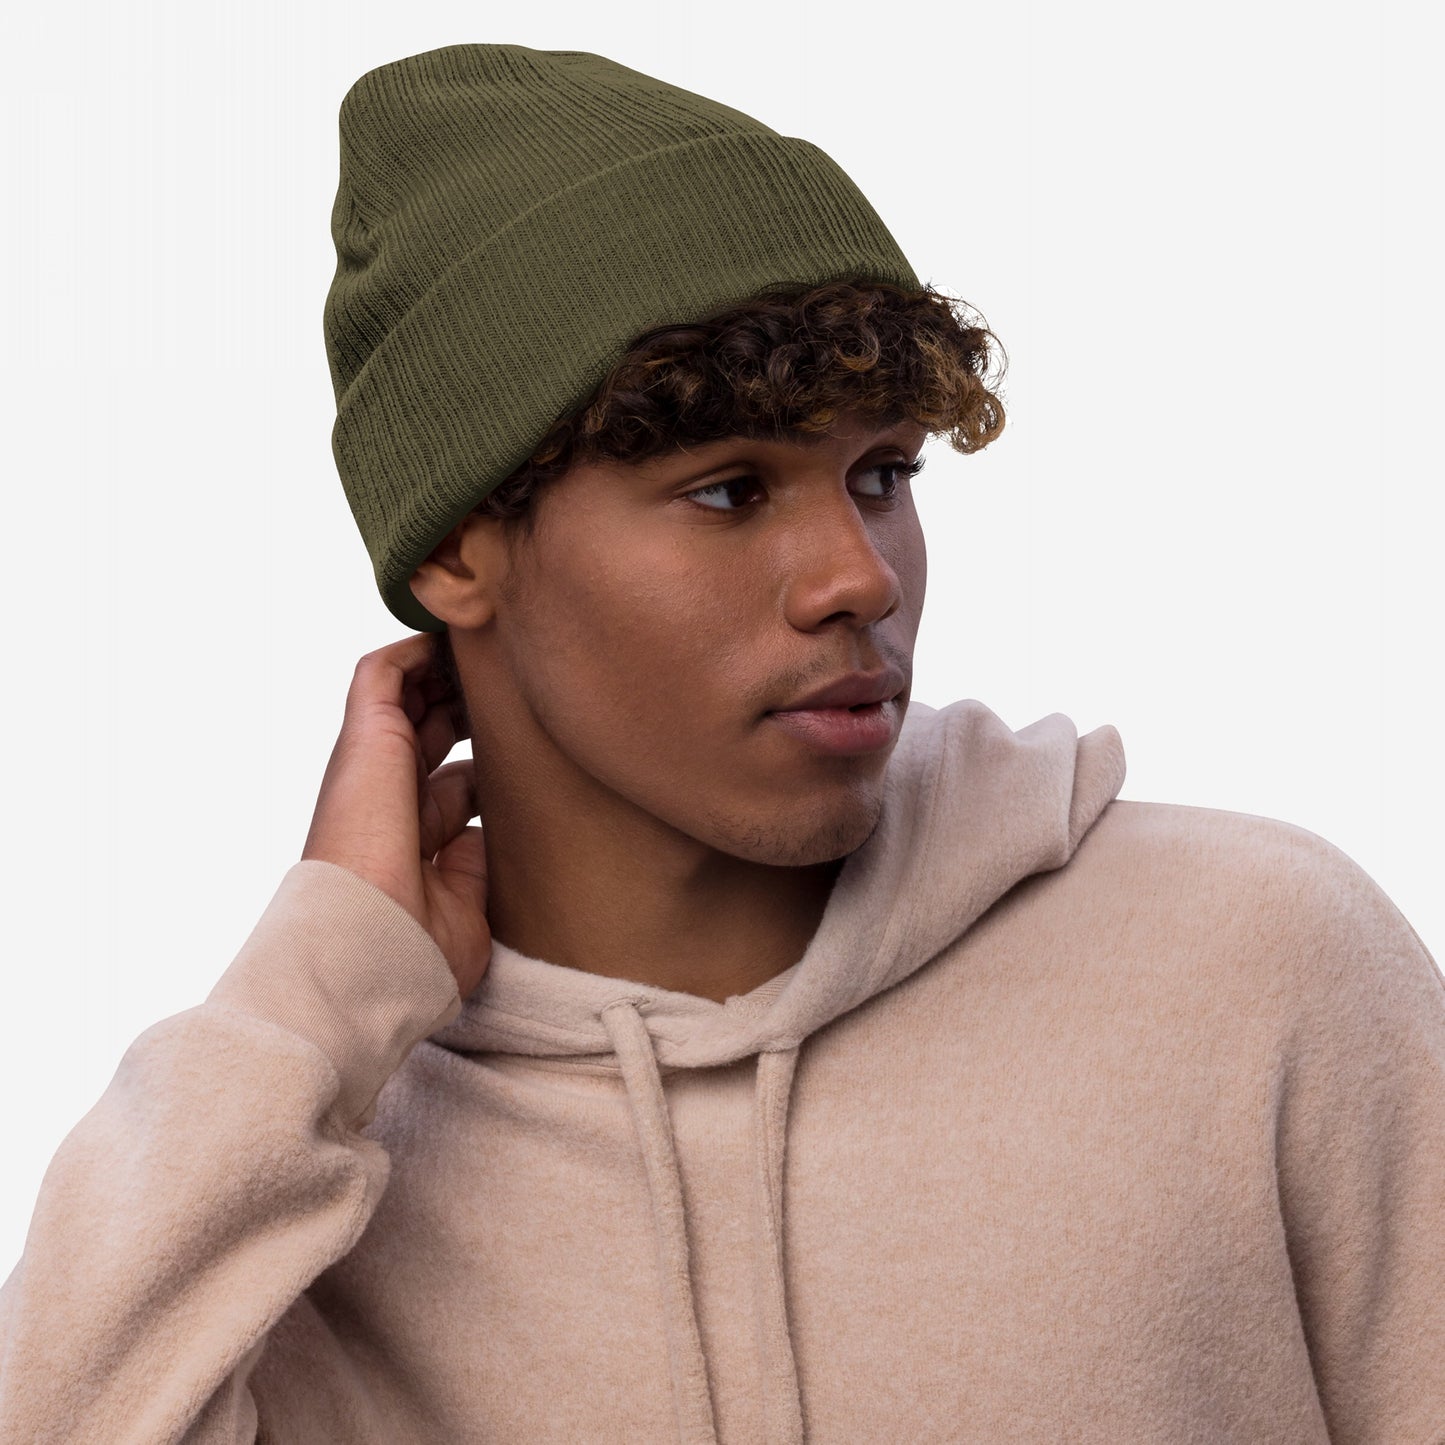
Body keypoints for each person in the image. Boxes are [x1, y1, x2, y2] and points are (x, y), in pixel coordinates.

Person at [1, 42, 1442, 1445]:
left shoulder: (1256, 967)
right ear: (457, 553)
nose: (859, 576)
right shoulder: (299, 1164)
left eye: (881, 473)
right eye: (728, 490)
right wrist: (310, 994)